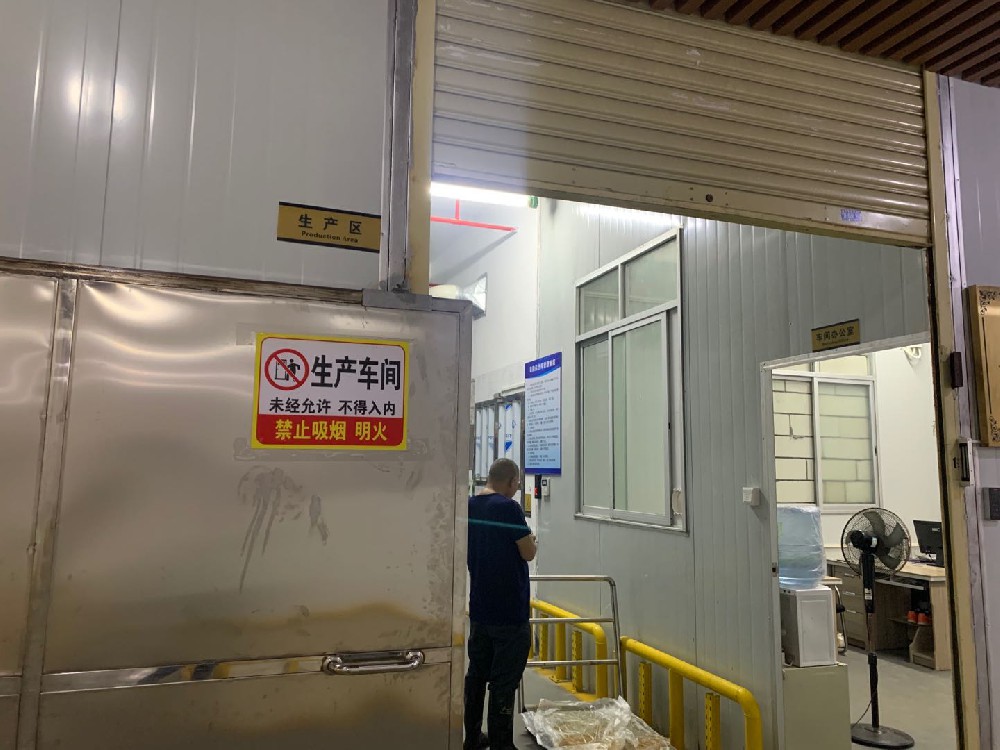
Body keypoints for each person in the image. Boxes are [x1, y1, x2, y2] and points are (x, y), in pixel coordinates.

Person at [464, 458, 538, 750]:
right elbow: (528, 552)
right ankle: (501, 744)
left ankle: (472, 737)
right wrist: (532, 540)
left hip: (480, 609)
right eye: (517, 483)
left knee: (476, 676)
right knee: (504, 683)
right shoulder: (508, 508)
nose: (517, 488)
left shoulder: (469, 505)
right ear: (511, 481)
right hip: (509, 612)